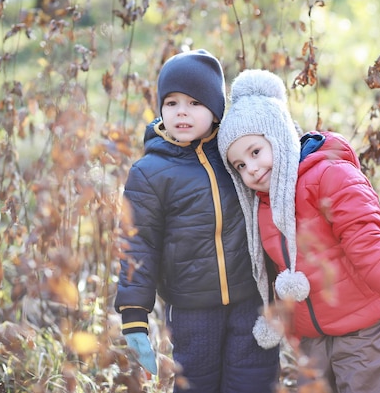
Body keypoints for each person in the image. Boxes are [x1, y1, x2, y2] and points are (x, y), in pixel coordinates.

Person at [217, 69, 380, 393]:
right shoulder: (262, 205)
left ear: (278, 137)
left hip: (361, 330)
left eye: (255, 152)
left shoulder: (330, 177)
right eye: (239, 165)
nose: (250, 168)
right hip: (313, 339)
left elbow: (368, 245)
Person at [114, 50, 280, 393]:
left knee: (253, 381)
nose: (182, 112)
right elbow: (137, 243)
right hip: (192, 309)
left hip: (251, 298)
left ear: (216, 109)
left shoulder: (235, 155)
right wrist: (134, 314)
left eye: (194, 102)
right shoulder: (149, 173)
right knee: (197, 384)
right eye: (171, 102)